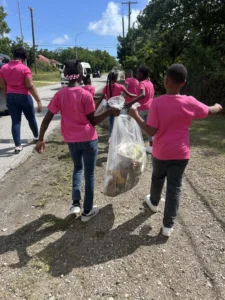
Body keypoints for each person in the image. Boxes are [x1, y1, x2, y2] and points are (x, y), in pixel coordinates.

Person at [128, 63, 222, 237]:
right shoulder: (190, 102)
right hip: (181, 153)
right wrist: (218, 106)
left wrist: (135, 116)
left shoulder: (157, 103)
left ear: (166, 81)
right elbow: (210, 110)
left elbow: (150, 131)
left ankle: (154, 203)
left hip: (161, 152)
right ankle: (167, 227)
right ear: (183, 83)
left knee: (157, 178)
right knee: (175, 187)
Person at [35, 60, 120, 222]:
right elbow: (93, 121)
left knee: (77, 168)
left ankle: (75, 203)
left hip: (71, 140)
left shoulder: (59, 95)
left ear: (66, 76)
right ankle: (87, 211)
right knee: (89, 173)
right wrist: (109, 111)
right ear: (81, 75)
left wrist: (40, 139)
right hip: (88, 140)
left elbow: (47, 119)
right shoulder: (85, 95)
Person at [0, 47, 42, 154]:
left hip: (10, 96)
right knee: (31, 118)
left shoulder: (3, 68)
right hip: (24, 97)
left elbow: (2, 86)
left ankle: (18, 145)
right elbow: (30, 86)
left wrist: (6, 98)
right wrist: (38, 101)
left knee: (15, 121)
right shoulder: (25, 69)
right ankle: (37, 137)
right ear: (24, 58)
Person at [97, 71, 136, 137]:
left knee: (112, 122)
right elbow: (130, 95)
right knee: (118, 121)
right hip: (118, 107)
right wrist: (138, 96)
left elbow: (101, 98)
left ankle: (111, 137)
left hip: (109, 107)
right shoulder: (120, 86)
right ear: (116, 78)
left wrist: (95, 107)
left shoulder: (106, 87)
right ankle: (118, 136)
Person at [125, 66, 154, 154]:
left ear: (141, 74)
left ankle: (134, 147)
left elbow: (143, 94)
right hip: (150, 109)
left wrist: (130, 103)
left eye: (137, 73)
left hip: (141, 109)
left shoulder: (142, 83)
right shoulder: (150, 83)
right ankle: (151, 147)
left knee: (134, 127)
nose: (136, 75)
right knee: (149, 128)